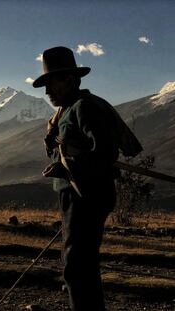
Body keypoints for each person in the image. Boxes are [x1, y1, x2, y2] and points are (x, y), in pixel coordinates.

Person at [31, 46, 142, 311]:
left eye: (52, 83)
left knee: (77, 266)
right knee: (77, 263)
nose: (47, 92)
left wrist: (69, 166)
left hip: (87, 196)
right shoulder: (66, 110)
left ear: (70, 79)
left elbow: (104, 151)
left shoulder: (85, 108)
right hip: (76, 195)